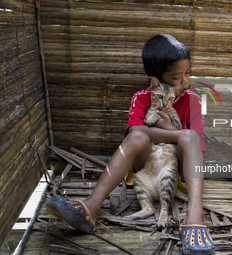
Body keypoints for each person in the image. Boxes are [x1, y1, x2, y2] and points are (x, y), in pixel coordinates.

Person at [46, 34, 214, 255]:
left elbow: (195, 142)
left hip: (178, 171)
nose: (185, 81)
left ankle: (195, 214)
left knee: (190, 137)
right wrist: (176, 132)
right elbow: (135, 131)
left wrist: (171, 131)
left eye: (188, 73)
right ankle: (91, 207)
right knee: (137, 137)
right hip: (146, 166)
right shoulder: (142, 98)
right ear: (155, 80)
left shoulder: (194, 101)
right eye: (176, 77)